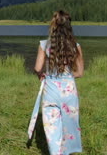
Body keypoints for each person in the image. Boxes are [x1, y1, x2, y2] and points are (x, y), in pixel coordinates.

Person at [34, 10, 84, 155]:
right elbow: (80, 73)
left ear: (53, 25)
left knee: (52, 130)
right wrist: (67, 76)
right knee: (69, 127)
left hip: (51, 91)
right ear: (69, 25)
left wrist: (42, 75)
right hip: (69, 92)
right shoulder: (76, 46)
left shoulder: (44, 44)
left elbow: (37, 68)